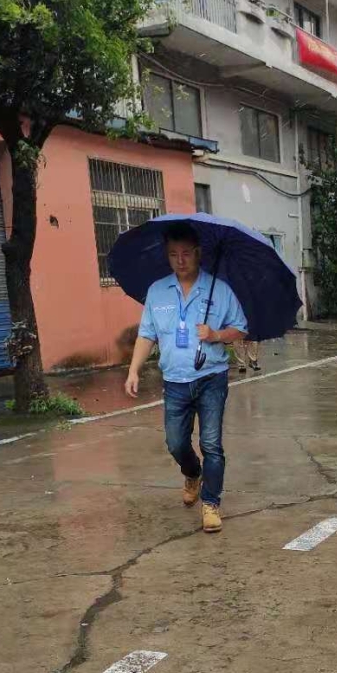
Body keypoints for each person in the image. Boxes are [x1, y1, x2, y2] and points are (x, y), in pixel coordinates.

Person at [124, 225, 248, 534]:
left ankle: (211, 503)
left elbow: (240, 328)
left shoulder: (219, 289)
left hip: (211, 378)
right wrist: (133, 370)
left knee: (211, 444)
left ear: (198, 253)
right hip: (175, 381)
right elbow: (146, 334)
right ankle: (192, 473)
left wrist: (216, 334)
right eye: (173, 254)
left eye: (186, 254)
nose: (180, 260)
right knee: (176, 443)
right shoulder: (157, 291)